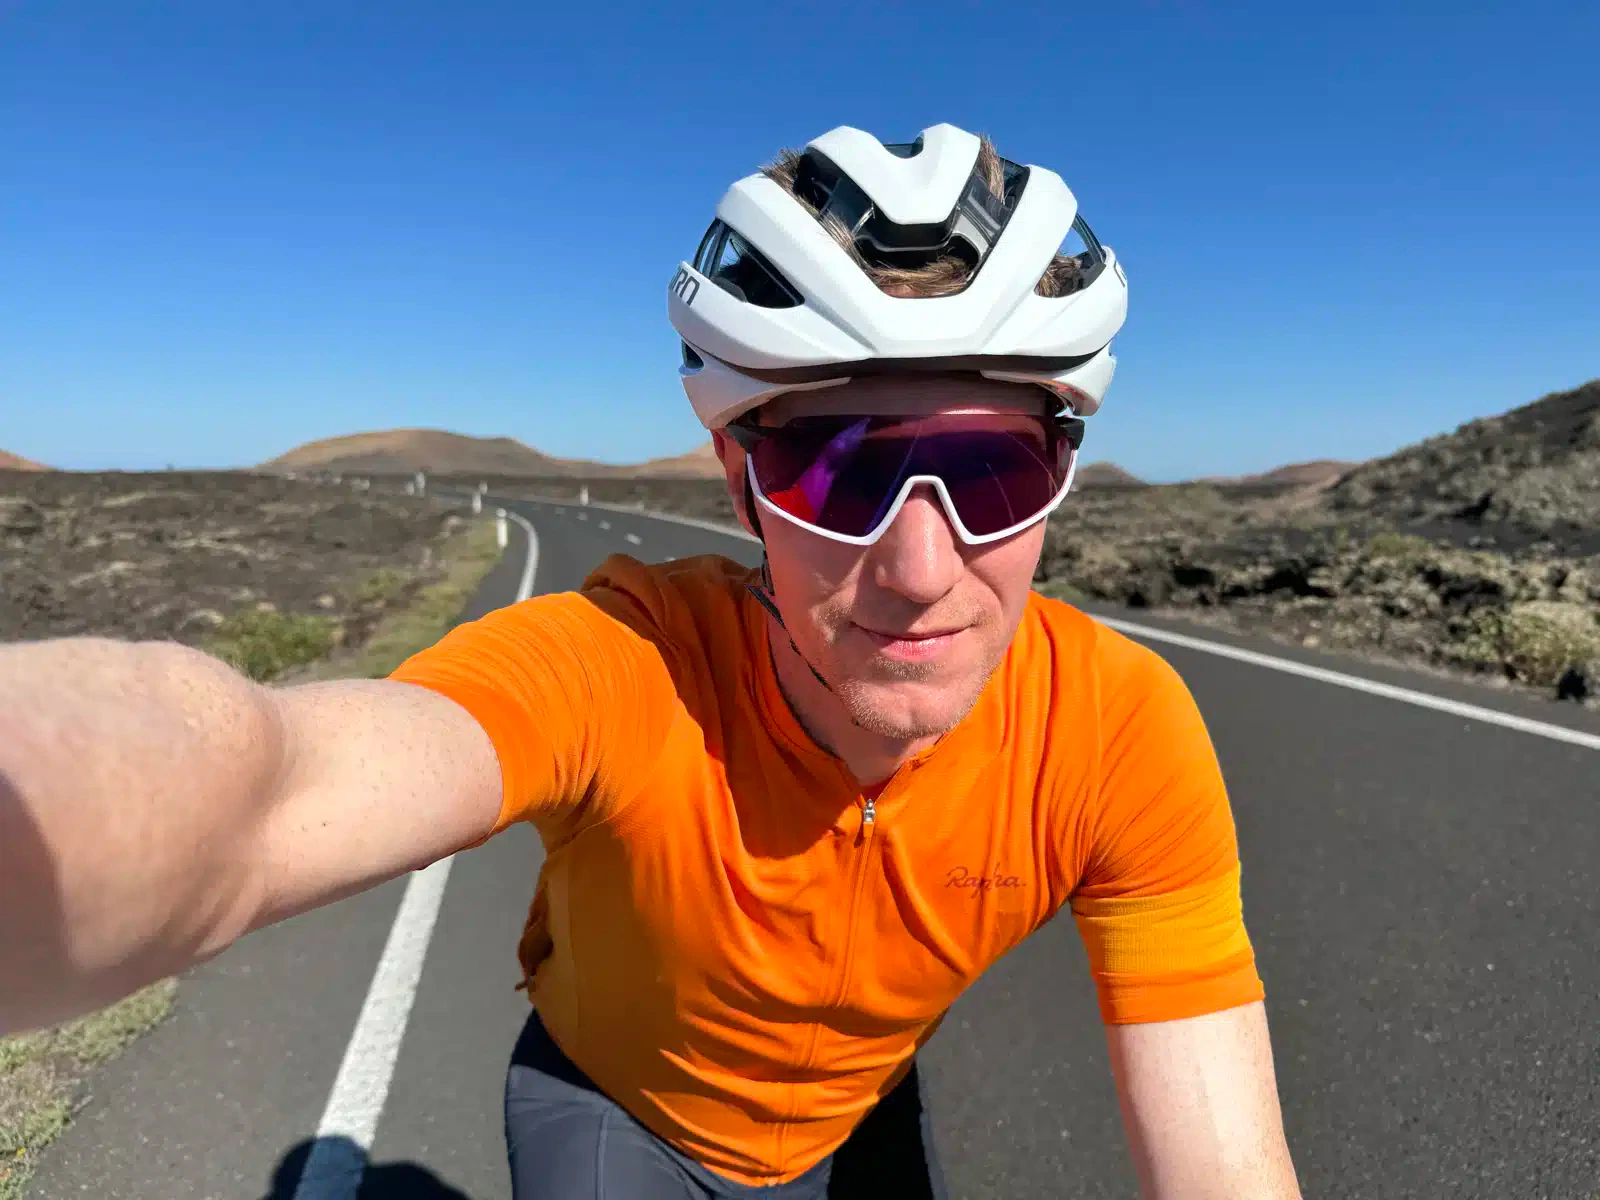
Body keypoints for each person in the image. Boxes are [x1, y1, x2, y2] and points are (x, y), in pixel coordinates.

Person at [0, 122, 1302, 1198]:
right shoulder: (627, 661)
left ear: (1059, 474)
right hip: (623, 1110)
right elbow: (273, 781)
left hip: (855, 1107)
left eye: (988, 468)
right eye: (834, 469)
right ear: (743, 485)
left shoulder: (1122, 728)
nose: (918, 567)